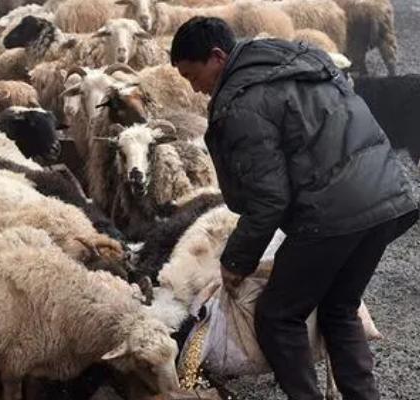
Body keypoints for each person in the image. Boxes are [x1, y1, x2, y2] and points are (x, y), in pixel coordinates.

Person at [170, 16, 419, 400]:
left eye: (192, 76)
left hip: (333, 212)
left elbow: (269, 198)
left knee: (278, 316)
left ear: (217, 57)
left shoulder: (241, 103)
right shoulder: (297, 61)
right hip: (386, 198)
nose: (196, 89)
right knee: (339, 308)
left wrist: (236, 261)